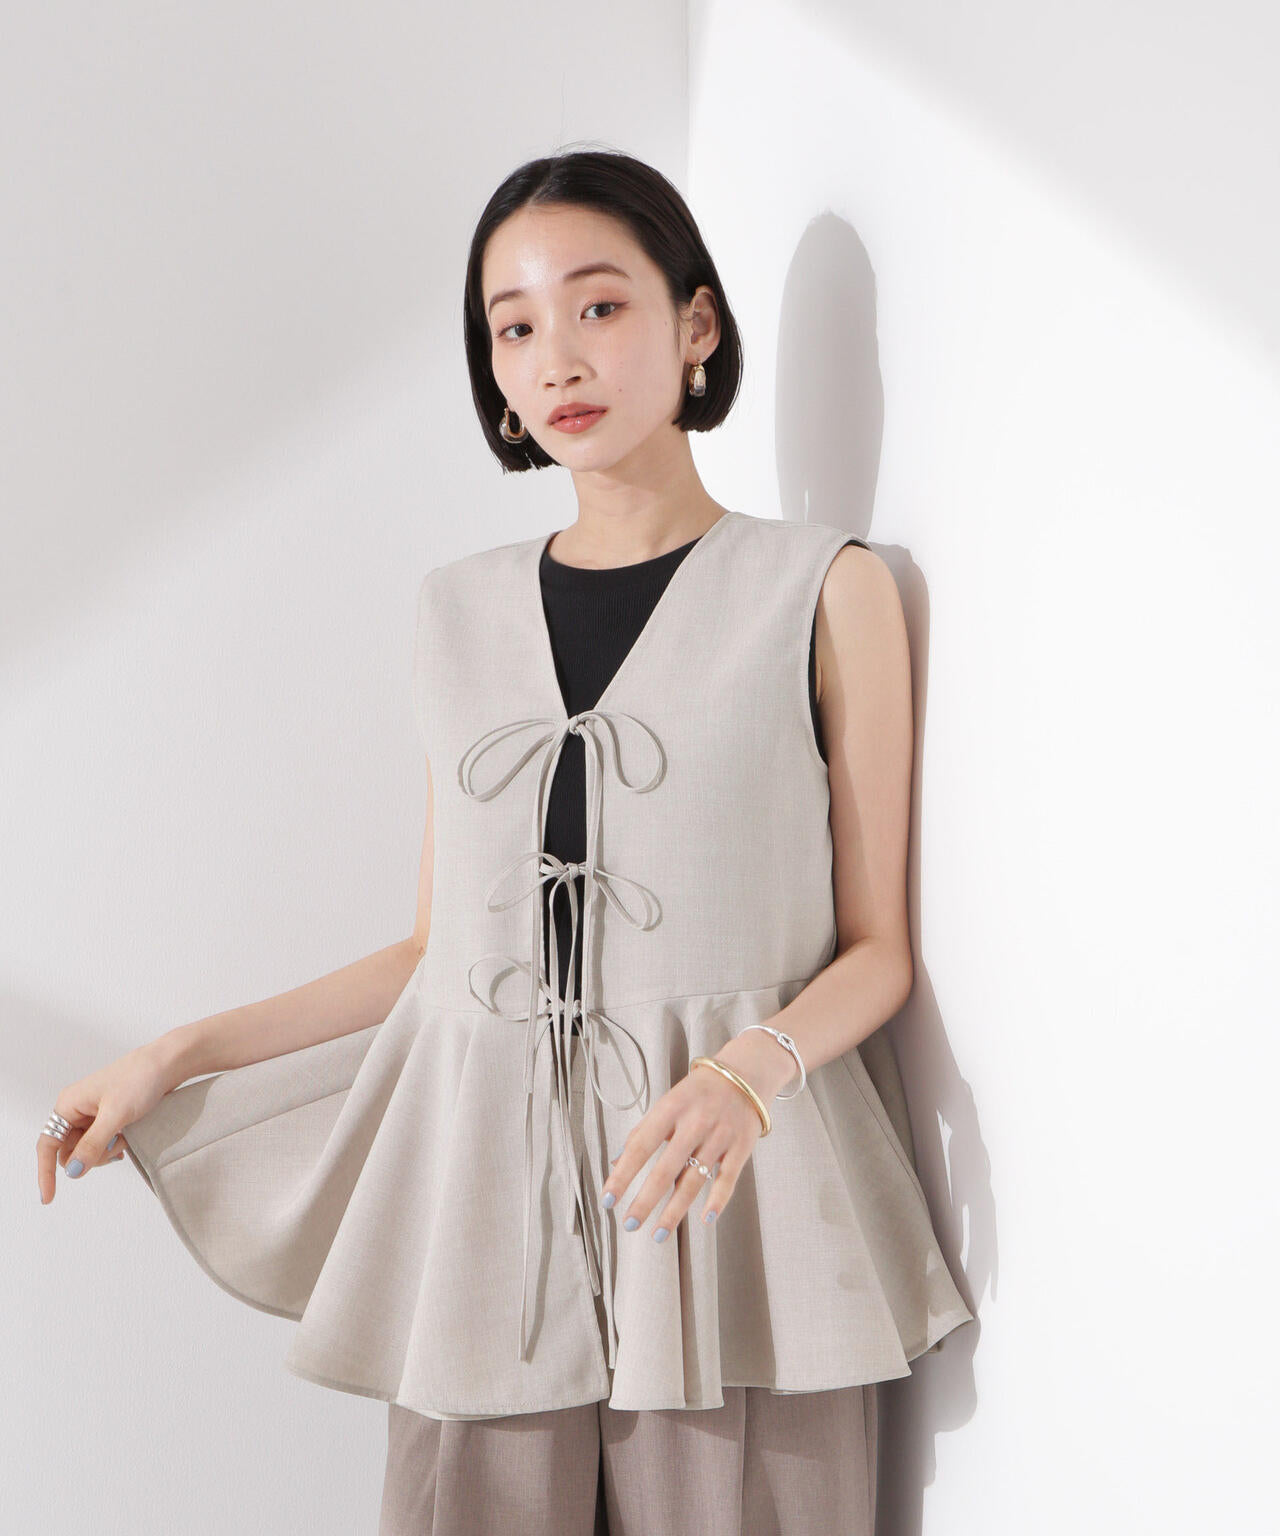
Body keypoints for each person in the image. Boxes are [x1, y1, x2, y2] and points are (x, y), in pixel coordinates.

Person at [37, 148, 973, 1534]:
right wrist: (178, 1053)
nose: (556, 360)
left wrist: (749, 1072)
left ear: (695, 325)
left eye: (598, 307)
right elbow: (437, 954)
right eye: (514, 327)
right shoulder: (455, 612)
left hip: (738, 1215)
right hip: (485, 1221)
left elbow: (879, 948)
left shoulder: (824, 590)